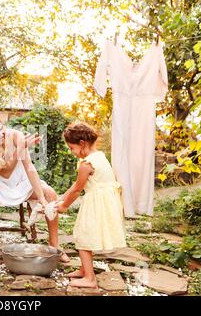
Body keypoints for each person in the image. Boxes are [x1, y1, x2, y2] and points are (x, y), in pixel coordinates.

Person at [0, 112, 69, 268]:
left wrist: (41, 198)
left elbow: (29, 168)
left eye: (2, 128)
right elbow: (5, 171)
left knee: (50, 193)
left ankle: (55, 244)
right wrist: (20, 148)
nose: (2, 133)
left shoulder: (15, 135)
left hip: (21, 178)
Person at [55, 122, 127, 288]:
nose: (72, 152)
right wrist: (62, 197)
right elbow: (76, 185)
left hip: (96, 204)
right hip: (105, 202)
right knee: (86, 235)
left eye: (72, 148)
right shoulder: (99, 156)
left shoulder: (86, 164)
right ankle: (84, 269)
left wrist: (64, 206)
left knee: (83, 236)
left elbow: (77, 190)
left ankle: (90, 278)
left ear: (82, 144)